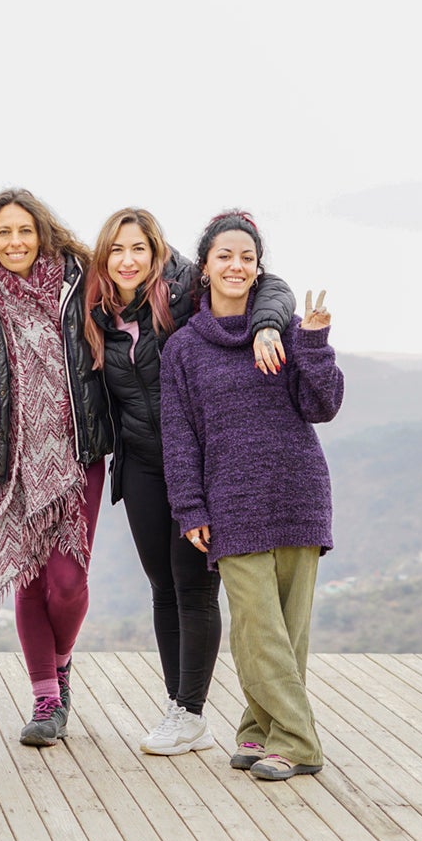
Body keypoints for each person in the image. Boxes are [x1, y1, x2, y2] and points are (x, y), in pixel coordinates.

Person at [81, 207, 293, 756]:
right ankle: (179, 706)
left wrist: (268, 324)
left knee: (195, 589)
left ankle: (190, 711)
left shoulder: (184, 295)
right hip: (140, 465)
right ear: (104, 258)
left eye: (138, 248)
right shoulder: (95, 312)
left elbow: (269, 286)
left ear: (157, 253)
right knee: (163, 588)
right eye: (116, 250)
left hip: (198, 462)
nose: (127, 260)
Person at [160, 210, 343, 782]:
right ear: (205, 267)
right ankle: (300, 742)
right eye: (225, 256)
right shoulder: (184, 348)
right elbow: (179, 436)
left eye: (247, 257)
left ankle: (262, 731)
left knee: (288, 632)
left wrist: (314, 342)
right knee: (255, 630)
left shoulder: (288, 331)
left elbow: (322, 406)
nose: (236, 265)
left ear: (258, 267)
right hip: (232, 503)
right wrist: (190, 507)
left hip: (297, 492)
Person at [0, 188, 106, 747]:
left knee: (68, 583)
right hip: (17, 457)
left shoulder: (79, 282)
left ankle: (61, 662)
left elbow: (156, 281)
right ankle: (46, 697)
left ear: (42, 234)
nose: (15, 241)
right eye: (3, 232)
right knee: (29, 575)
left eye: (24, 230)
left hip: (79, 451)